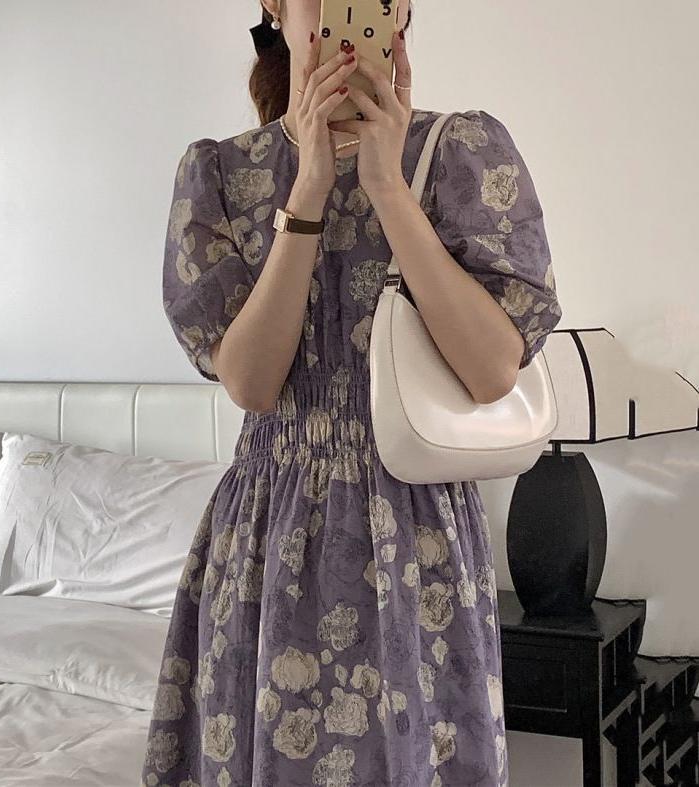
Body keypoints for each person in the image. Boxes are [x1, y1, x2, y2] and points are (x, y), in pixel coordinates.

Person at [141, 0, 562, 784]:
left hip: (418, 538)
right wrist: (307, 188)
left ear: (399, 12)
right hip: (269, 537)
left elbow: (491, 370)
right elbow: (251, 384)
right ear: (273, 4)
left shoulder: (462, 151)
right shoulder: (219, 174)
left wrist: (387, 187)